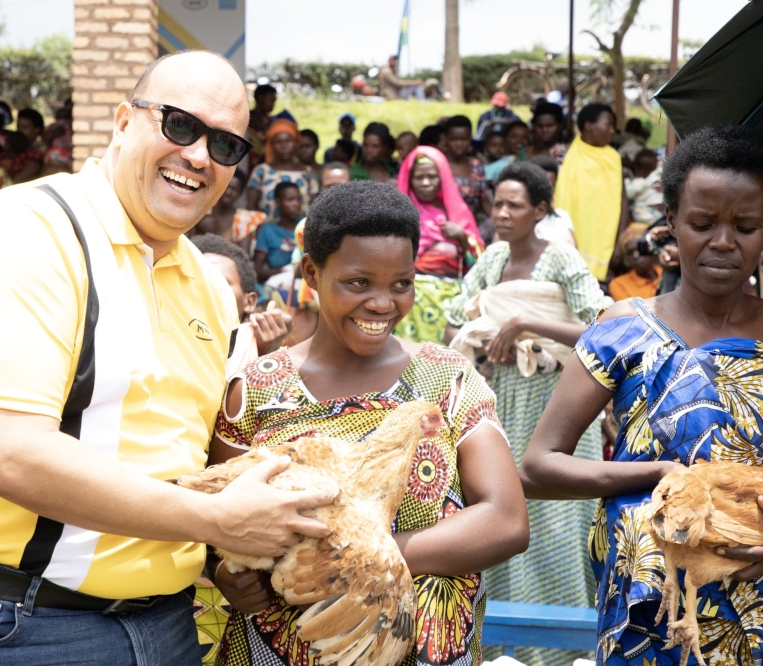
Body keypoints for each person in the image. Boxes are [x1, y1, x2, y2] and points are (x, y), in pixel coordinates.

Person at [0, 51, 334, 665]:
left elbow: (192, 453)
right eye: (180, 126)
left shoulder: (206, 285)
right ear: (124, 120)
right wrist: (216, 522)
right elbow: (9, 455)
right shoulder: (32, 230)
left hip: (166, 622)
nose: (198, 156)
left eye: (225, 145)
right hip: (19, 625)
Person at [518, 125, 763, 666]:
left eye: (745, 226)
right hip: (654, 616)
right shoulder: (623, 329)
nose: (723, 242)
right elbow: (537, 467)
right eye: (702, 223)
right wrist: (655, 475)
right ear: (671, 222)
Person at [210, 179, 529, 666]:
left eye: (401, 283)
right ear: (312, 273)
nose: (383, 303)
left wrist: (361, 557)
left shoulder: (447, 378)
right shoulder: (255, 389)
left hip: (426, 646)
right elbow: (212, 520)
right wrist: (227, 575)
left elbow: (506, 520)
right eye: (358, 283)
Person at [444, 162, 606, 666]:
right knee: (498, 514)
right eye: (498, 204)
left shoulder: (562, 261)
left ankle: (561, 653)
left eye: (516, 205)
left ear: (541, 211)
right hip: (500, 405)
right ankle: (498, 650)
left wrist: (526, 322)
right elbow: (455, 314)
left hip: (560, 408)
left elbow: (605, 325)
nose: (503, 213)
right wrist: (481, 336)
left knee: (557, 523)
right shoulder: (491, 260)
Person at [394, 146, 482, 345]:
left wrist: (461, 237)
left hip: (453, 297)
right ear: (409, 179)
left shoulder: (457, 212)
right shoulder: (399, 214)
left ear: (442, 177)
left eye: (432, 177)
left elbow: (480, 263)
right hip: (412, 296)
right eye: (419, 177)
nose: (426, 183)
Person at [191, 233, 290, 377]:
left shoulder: (271, 352)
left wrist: (264, 354)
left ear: (249, 302)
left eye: (221, 282)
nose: (207, 287)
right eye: (197, 279)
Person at [553, 103, 629, 281]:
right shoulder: (564, 155)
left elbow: (622, 202)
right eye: (608, 124)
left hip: (607, 244)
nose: (612, 131)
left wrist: (619, 243)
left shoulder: (613, 158)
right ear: (589, 125)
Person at [247, 118, 317, 223]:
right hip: (267, 233)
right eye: (278, 142)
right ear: (271, 145)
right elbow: (251, 206)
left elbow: (315, 207)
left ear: (295, 143)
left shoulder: (307, 172)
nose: (284, 146)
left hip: (300, 233)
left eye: (288, 141)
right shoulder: (261, 171)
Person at [193, 168, 265, 253]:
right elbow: (189, 244)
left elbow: (244, 255)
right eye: (227, 186)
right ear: (219, 186)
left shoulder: (244, 220)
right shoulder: (202, 211)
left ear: (240, 194)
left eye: (234, 189)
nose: (229, 192)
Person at [444, 115, 491, 227]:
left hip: (473, 225)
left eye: (463, 139)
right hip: (445, 226)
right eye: (454, 139)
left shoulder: (477, 166)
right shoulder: (439, 164)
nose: (459, 144)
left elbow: (484, 201)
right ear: (446, 139)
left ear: (470, 139)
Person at [254, 181, 301, 285]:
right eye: (290, 199)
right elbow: (256, 272)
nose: (296, 204)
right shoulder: (267, 231)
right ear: (278, 202)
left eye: (298, 199)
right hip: (278, 285)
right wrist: (285, 270)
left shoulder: (306, 225)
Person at [527, 156, 576, 247]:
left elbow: (574, 251)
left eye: (552, 186)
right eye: (542, 186)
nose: (547, 191)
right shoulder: (521, 218)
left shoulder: (562, 217)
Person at [607, 227, 661, 301]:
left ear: (651, 250)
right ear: (626, 259)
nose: (635, 256)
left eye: (639, 249)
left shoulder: (667, 272)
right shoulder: (619, 284)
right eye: (630, 253)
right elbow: (632, 311)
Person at [625, 149, 663, 226]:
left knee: (633, 208)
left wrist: (626, 180)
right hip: (660, 213)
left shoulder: (641, 183)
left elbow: (628, 192)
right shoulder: (659, 177)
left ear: (640, 170)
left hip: (646, 214)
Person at [246, 83, 276, 169]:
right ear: (260, 98)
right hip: (246, 164)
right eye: (271, 100)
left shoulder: (273, 121)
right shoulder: (246, 118)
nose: (273, 104)